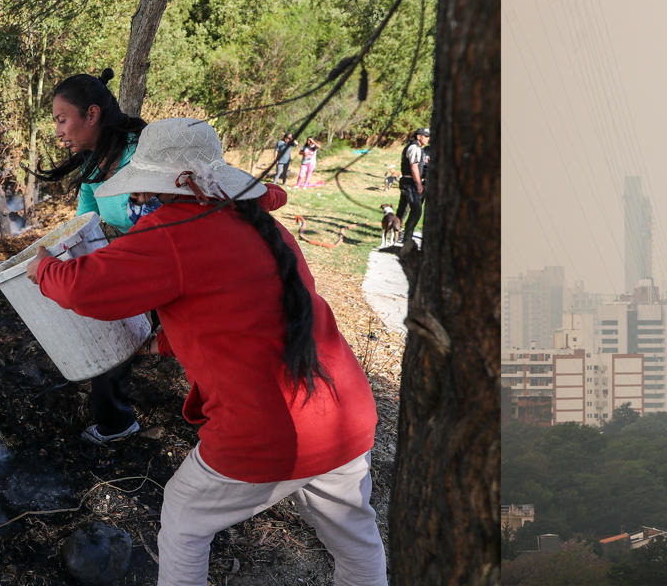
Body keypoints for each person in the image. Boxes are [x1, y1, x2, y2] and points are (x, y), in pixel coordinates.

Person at [29, 117, 386, 586]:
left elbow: (85, 288)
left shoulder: (175, 230)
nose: (138, 198)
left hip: (267, 430)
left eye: (143, 186)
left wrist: (43, 267)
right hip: (346, 413)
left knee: (184, 519)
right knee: (356, 541)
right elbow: (253, 310)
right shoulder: (257, 223)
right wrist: (170, 340)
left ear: (174, 184)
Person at [35, 69, 148, 443]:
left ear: (92, 114)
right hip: (130, 262)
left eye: (62, 119)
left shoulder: (142, 153)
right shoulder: (92, 165)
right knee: (104, 323)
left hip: (169, 263)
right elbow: (84, 223)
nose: (58, 131)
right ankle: (116, 421)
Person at [395, 127, 428, 246]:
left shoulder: (416, 147)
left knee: (403, 209)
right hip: (410, 183)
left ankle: (396, 234)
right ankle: (407, 236)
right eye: (426, 136)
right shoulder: (415, 147)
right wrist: (419, 185)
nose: (428, 139)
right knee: (417, 210)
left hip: (407, 182)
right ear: (419, 136)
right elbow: (414, 168)